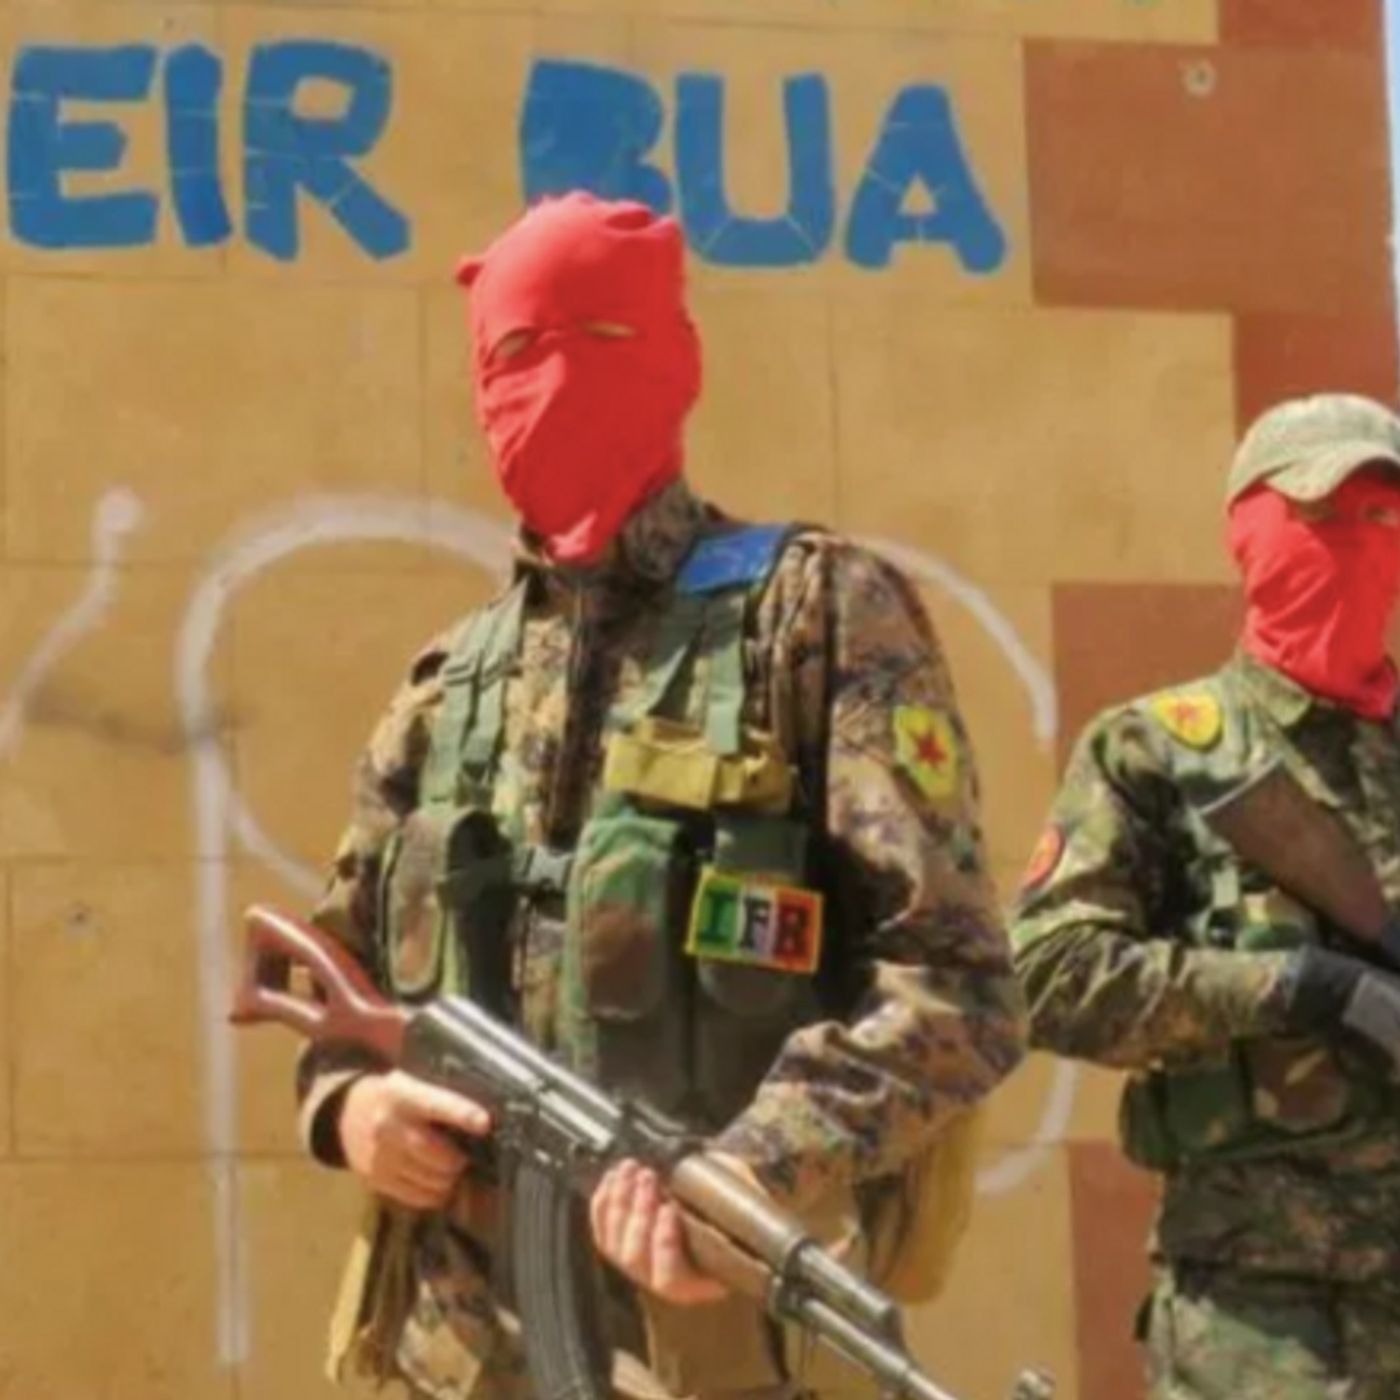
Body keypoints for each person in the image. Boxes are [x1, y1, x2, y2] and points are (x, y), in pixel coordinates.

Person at [296, 191, 1025, 1400]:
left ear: (677, 361)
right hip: (460, 1346)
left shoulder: (811, 615)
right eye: (513, 353)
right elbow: (336, 970)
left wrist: (753, 1169)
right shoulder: (447, 683)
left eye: (598, 340)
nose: (550, 383)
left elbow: (956, 984)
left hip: (714, 1340)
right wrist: (350, 1106)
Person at [1012, 393, 1400, 1398]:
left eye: (1381, 518)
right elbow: (1049, 975)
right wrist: (1294, 988)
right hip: (1259, 1321)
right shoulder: (1162, 752)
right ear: (1249, 534)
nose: (1356, 545)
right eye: (1319, 517)